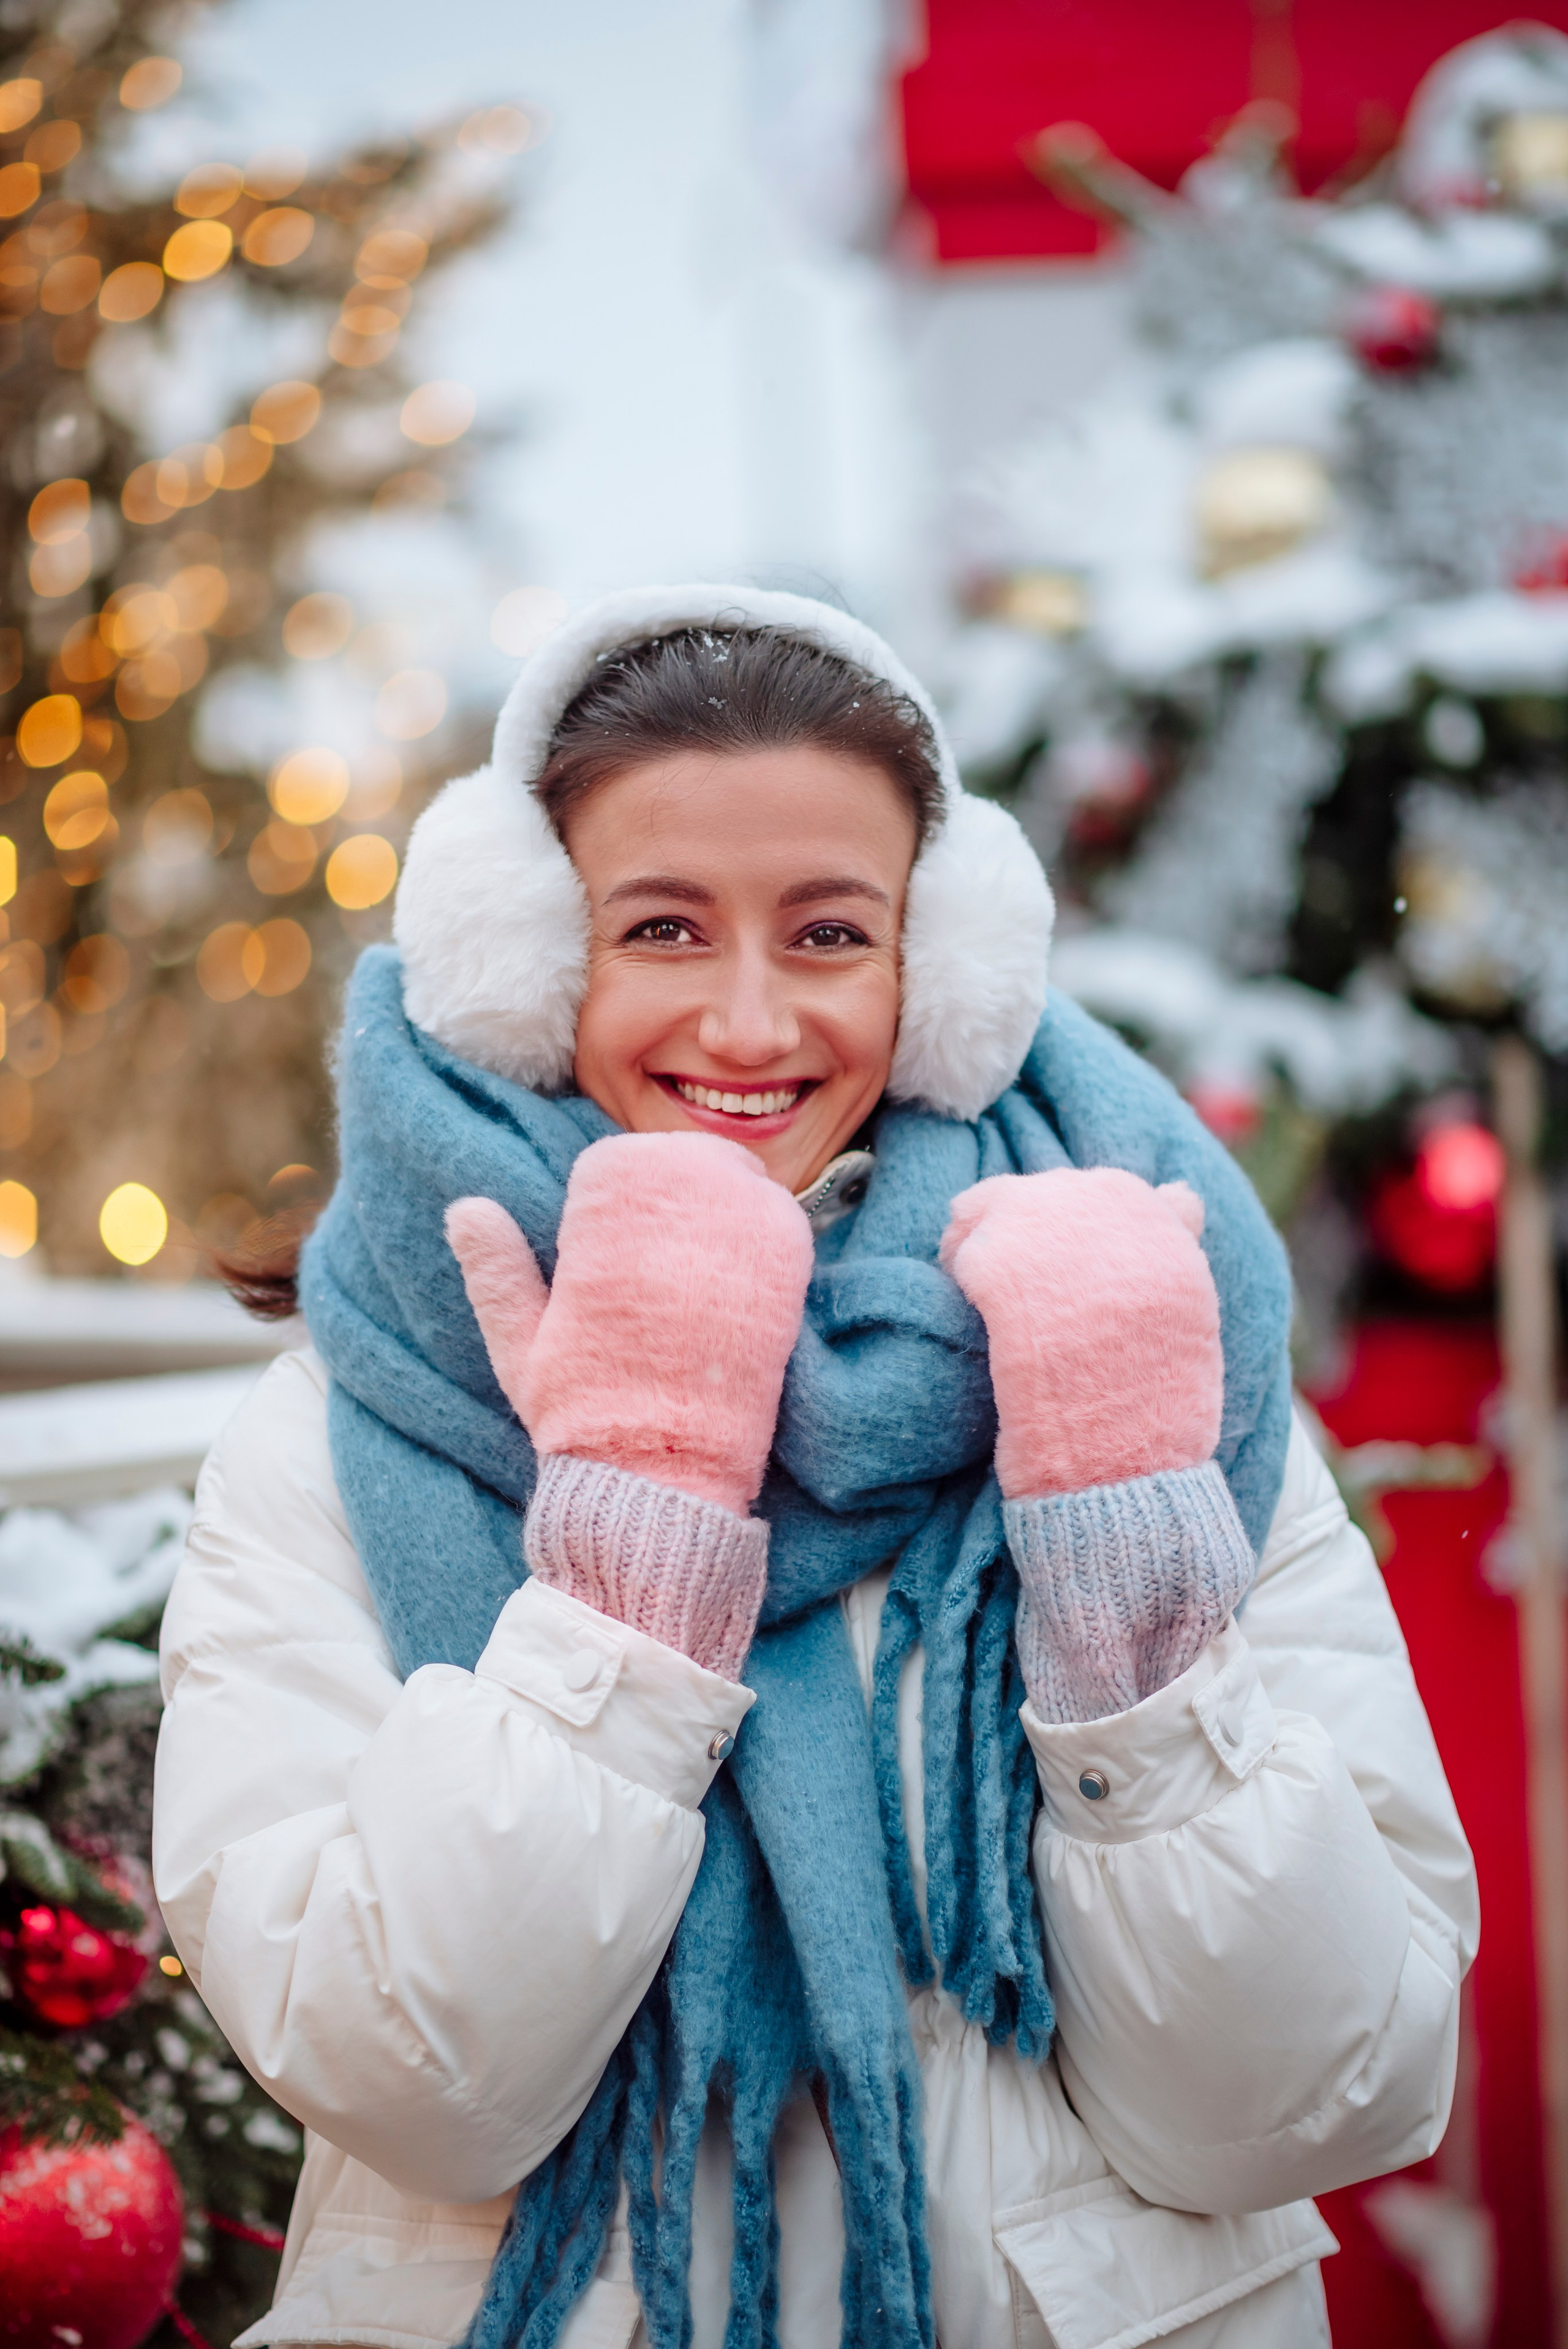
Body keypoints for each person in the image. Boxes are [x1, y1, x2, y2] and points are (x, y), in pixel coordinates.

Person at [153, 584, 1478, 2349]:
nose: (755, 1023)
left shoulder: (1148, 1342)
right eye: (667, 929)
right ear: (530, 959)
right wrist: (632, 1533)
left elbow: (1311, 2101)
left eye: (833, 933)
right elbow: (416, 2081)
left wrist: (1123, 1562)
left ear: (945, 973)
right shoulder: (348, 1414)